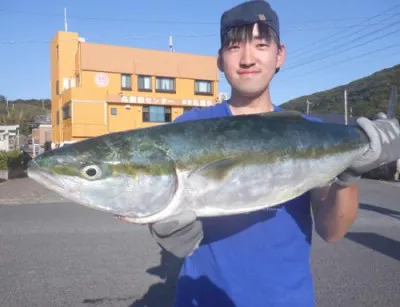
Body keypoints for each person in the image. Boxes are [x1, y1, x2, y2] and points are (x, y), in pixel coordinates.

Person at [149, 1, 400, 306]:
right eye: (233, 46)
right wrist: (166, 223)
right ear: (219, 59)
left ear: (279, 54)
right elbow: (167, 206)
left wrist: (348, 175)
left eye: (261, 44)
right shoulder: (190, 128)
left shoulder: (310, 132)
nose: (247, 58)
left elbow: (332, 231)